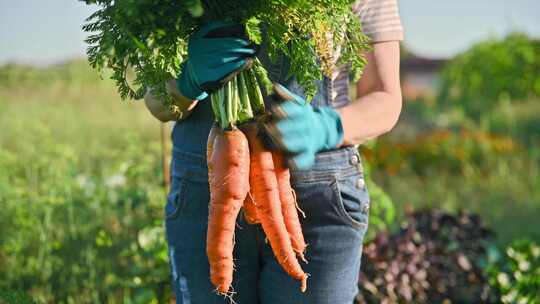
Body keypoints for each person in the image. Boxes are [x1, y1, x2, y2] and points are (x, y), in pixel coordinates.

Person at [144, 0, 403, 303]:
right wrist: (187, 82)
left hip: (319, 201)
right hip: (203, 194)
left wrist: (327, 127)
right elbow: (157, 102)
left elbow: (385, 98)